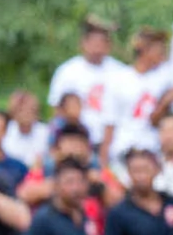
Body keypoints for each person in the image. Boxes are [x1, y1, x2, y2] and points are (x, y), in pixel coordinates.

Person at [101, 28, 173, 172]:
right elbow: (109, 124)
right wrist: (104, 164)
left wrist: (164, 104)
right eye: (158, 47)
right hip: (122, 149)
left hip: (154, 151)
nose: (163, 52)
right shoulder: (118, 79)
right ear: (143, 49)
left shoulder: (166, 78)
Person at [47, 19, 123, 147]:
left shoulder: (121, 72)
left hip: (113, 140)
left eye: (102, 42)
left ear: (109, 45)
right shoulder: (67, 71)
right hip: (77, 139)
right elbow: (56, 110)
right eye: (94, 42)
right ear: (83, 43)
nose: (97, 47)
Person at [2, 91, 50, 171]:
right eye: (21, 110)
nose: (26, 114)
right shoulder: (5, 130)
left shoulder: (46, 131)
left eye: (30, 110)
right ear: (13, 113)